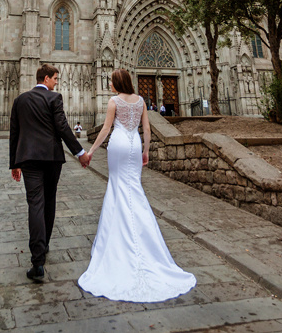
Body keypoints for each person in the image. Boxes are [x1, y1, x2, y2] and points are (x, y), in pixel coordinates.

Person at [78, 68, 196, 302]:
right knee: (135, 190)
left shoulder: (113, 102)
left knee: (117, 188)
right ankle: (146, 241)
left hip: (119, 144)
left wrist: (90, 151)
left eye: (112, 81)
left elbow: (105, 129)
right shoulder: (141, 100)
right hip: (133, 144)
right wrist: (146, 151)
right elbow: (148, 129)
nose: (110, 85)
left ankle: (119, 239)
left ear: (117, 83)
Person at [10, 64, 89, 282]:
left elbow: (14, 134)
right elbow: (63, 128)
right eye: (55, 78)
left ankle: (37, 263)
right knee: (49, 200)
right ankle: (44, 245)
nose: (56, 82)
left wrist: (14, 163)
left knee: (35, 203)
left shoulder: (20, 101)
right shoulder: (54, 99)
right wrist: (80, 152)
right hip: (52, 158)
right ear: (46, 79)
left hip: (28, 159)